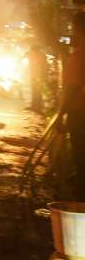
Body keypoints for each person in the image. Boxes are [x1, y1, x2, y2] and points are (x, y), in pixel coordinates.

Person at [59, 11, 85, 200]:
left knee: (80, 154)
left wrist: (61, 115)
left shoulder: (79, 56)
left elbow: (71, 88)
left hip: (80, 112)